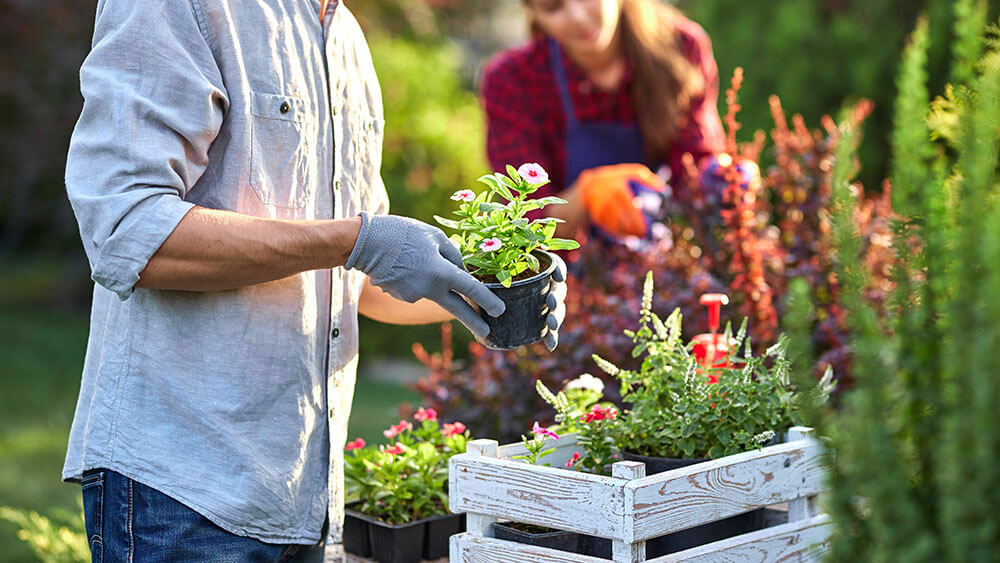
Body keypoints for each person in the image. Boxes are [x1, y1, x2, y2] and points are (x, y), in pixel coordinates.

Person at [61, 1, 566, 560]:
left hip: (302, 500)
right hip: (182, 493)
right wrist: (356, 240)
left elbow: (365, 283)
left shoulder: (343, 34)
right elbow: (128, 230)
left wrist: (494, 289)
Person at [481, 0, 726, 243]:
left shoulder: (680, 47)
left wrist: (723, 181)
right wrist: (585, 195)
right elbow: (527, 222)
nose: (577, 17)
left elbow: (695, 168)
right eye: (553, 7)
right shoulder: (511, 80)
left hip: (665, 249)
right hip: (574, 269)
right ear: (533, 13)